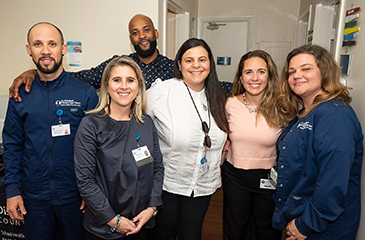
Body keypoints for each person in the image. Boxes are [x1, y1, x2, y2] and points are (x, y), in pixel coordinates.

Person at [1, 22, 99, 239]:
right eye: (38, 44)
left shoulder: (85, 93)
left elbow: (97, 148)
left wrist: (91, 191)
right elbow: (12, 145)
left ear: (63, 49)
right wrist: (12, 191)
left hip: (76, 198)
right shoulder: (20, 95)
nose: (45, 50)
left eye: (52, 44)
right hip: (34, 199)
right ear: (29, 50)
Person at [9, 14, 233, 102]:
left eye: (146, 30)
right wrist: (35, 72)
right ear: (131, 39)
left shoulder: (170, 67)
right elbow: (82, 77)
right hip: (123, 135)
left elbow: (208, 83)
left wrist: (250, 84)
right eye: (135, 33)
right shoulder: (119, 65)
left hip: (161, 140)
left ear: (155, 34)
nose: (141, 36)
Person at [273, 44, 363, 240]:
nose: (297, 75)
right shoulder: (308, 112)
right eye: (292, 71)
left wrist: (306, 225)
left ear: (324, 72)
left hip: (324, 228)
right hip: (304, 215)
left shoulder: (334, 115)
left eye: (306, 68)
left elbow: (333, 181)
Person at [146, 38, 230, 240]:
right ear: (179, 64)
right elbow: (135, 120)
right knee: (163, 234)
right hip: (168, 184)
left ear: (210, 63)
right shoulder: (162, 91)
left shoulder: (218, 94)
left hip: (203, 184)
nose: (196, 65)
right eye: (189, 60)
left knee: (191, 235)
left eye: (202, 59)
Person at [73, 56, 164, 240]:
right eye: (117, 80)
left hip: (141, 222)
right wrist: (113, 220)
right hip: (103, 228)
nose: (124, 86)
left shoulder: (146, 124)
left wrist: (151, 208)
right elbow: (85, 181)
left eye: (130, 80)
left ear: (138, 86)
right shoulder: (91, 125)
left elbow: (157, 168)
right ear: (107, 86)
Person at [222, 50, 286, 240]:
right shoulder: (229, 104)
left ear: (270, 75)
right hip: (235, 176)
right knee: (235, 229)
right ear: (241, 77)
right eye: (248, 72)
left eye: (261, 71)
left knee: (266, 230)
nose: (254, 78)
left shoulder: (283, 106)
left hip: (268, 177)